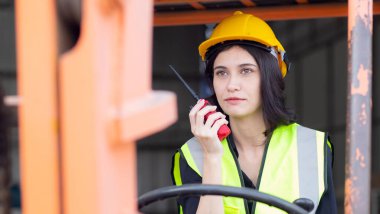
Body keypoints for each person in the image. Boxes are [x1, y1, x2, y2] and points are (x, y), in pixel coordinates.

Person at [171, 11, 337, 214]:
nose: (232, 85)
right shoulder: (192, 155)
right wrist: (212, 157)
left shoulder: (312, 147)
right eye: (221, 73)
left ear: (270, 77)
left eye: (246, 70)